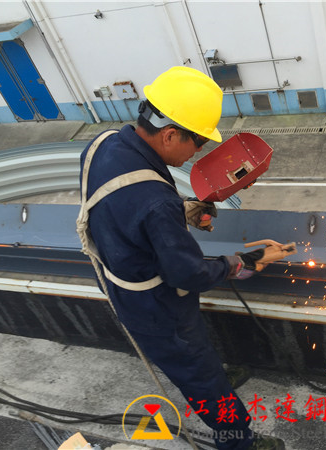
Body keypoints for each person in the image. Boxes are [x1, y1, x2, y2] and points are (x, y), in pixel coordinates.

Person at [77, 66, 285, 450]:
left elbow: (120, 208)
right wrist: (243, 262)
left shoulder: (102, 145)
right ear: (170, 134)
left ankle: (210, 377)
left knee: (196, 358)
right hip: (156, 306)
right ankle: (236, 441)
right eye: (199, 141)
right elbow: (189, 273)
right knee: (200, 377)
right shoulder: (156, 202)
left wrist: (179, 212)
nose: (200, 151)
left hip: (122, 282)